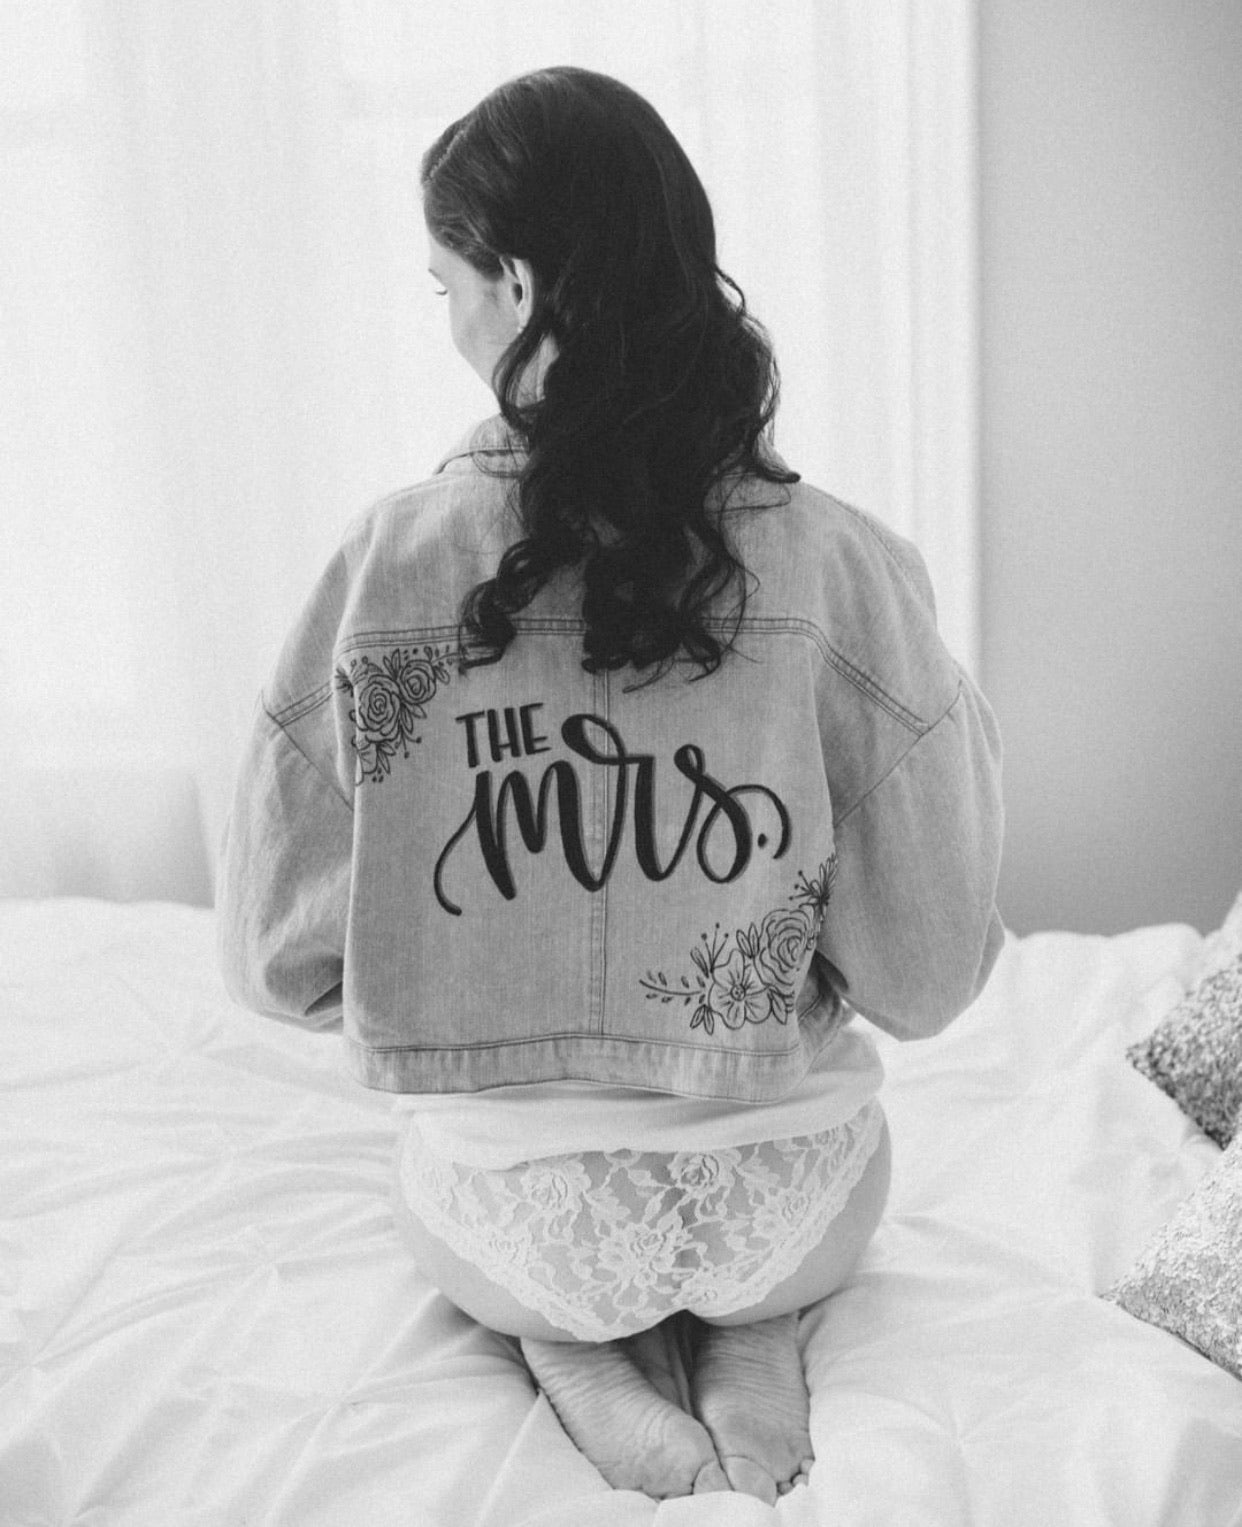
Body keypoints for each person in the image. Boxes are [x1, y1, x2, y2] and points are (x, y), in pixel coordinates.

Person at [215, 65, 1004, 1503]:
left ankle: (573, 1348)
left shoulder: (387, 565)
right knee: (773, 1226)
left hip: (518, 1223)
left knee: (480, 1207)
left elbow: (280, 960)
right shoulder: (841, 565)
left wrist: (469, 976)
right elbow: (931, 974)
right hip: (792, 1192)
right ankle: (749, 1333)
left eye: (446, 283)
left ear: (515, 286)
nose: (448, 316)